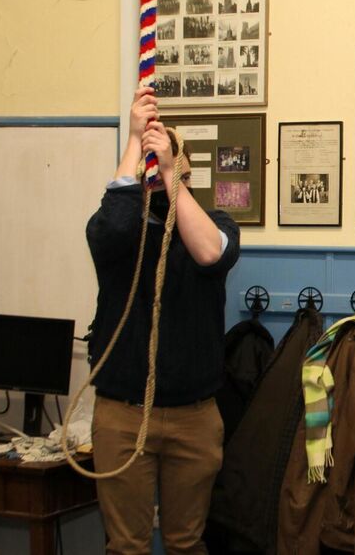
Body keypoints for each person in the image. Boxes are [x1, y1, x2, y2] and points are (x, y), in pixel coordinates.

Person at [86, 86, 241, 555]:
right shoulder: (120, 232)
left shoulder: (215, 225)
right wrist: (135, 142)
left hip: (194, 417)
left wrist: (170, 173)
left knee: (186, 543)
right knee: (126, 546)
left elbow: (211, 253)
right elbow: (110, 228)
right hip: (123, 414)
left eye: (183, 175)